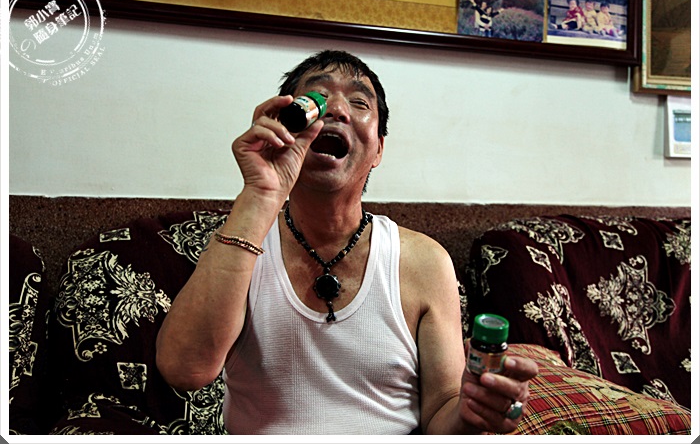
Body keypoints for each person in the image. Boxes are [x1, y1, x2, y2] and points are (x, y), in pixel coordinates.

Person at [155, 50, 538, 435]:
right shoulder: (243, 245)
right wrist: (259, 194)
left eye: (359, 102)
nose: (337, 110)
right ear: (282, 124)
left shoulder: (424, 261)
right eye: (318, 98)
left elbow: (442, 411)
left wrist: (473, 409)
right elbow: (184, 369)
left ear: (378, 149)